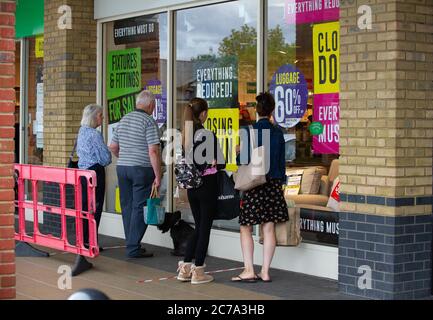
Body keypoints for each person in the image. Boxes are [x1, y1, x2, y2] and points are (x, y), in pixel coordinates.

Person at [232, 92, 288, 283]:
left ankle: (249, 269)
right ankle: (265, 271)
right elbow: (281, 163)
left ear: (257, 110)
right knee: (269, 227)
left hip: (255, 184)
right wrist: (280, 183)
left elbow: (243, 160)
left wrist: (238, 151)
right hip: (273, 184)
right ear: (272, 110)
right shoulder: (278, 132)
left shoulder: (250, 131)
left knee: (245, 227)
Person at [176, 97, 225, 285]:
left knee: (199, 227)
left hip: (191, 188)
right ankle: (198, 271)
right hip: (207, 185)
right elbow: (220, 163)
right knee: (204, 228)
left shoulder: (184, 135)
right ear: (203, 114)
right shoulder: (207, 134)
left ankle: (186, 267)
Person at [109, 90, 162, 259]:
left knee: (127, 206)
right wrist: (158, 175)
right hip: (141, 169)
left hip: (123, 167)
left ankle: (131, 242)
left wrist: (124, 158)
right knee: (140, 206)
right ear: (151, 105)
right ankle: (133, 247)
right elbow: (153, 151)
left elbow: (112, 146)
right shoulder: (149, 121)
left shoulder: (124, 119)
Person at [73, 104, 112, 276]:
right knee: (95, 209)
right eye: (100, 116)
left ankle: (85, 240)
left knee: (84, 209)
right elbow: (105, 158)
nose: (102, 118)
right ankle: (91, 242)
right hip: (95, 174)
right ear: (94, 117)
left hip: (82, 175)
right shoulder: (95, 135)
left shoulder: (81, 131)